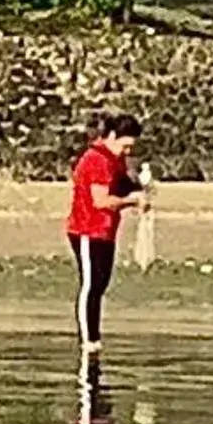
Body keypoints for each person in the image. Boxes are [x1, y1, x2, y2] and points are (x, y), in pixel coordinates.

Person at [67, 114, 145, 354]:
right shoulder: (96, 160)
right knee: (90, 285)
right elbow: (101, 201)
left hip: (106, 230)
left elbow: (122, 185)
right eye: (125, 146)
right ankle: (88, 339)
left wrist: (140, 187)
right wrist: (131, 201)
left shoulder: (115, 159)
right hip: (87, 229)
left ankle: (94, 335)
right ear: (112, 137)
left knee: (101, 284)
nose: (128, 152)